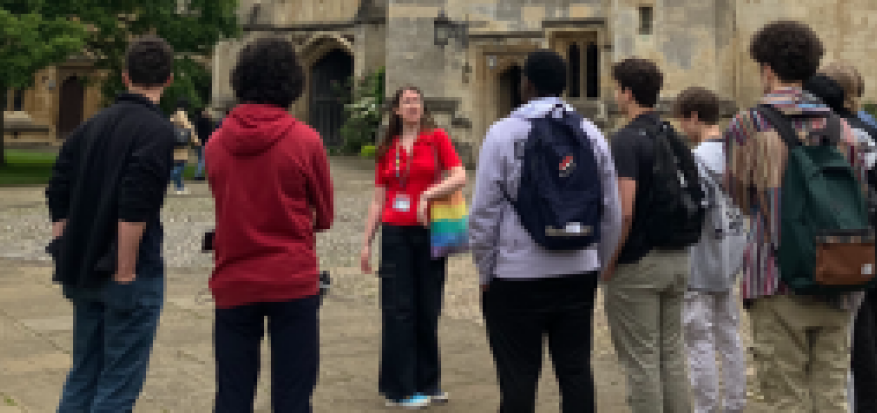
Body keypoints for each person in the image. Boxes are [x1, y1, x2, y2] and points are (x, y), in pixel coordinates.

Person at [723, 21, 867, 413]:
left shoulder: (747, 125)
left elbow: (738, 197)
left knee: (786, 399)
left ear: (767, 69)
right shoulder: (844, 129)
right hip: (838, 274)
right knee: (832, 398)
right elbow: (858, 197)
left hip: (775, 275)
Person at [469, 50, 621, 413]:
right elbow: (611, 209)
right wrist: (598, 264)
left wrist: (486, 270)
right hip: (577, 271)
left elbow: (483, 213)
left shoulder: (503, 133)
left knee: (519, 378)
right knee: (575, 371)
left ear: (527, 85)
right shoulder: (590, 132)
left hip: (517, 274)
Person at [46, 34, 176, 413]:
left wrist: (63, 243)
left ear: (125, 76)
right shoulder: (156, 131)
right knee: (117, 385)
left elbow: (58, 187)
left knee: (84, 373)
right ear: (168, 79)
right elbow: (135, 205)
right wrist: (125, 269)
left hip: (83, 267)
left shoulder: (92, 124)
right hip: (127, 274)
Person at [206, 37, 334, 413]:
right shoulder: (306, 141)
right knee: (293, 398)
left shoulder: (215, 143)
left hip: (234, 277)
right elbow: (324, 217)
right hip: (291, 280)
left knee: (232, 395)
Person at [360, 85, 467, 409]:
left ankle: (428, 382)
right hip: (395, 235)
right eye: (406, 102)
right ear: (396, 110)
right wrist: (366, 243)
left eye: (417, 101)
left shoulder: (436, 139)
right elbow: (378, 200)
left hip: (429, 232)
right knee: (398, 311)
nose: (412, 106)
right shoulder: (387, 149)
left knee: (428, 308)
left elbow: (459, 175)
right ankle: (400, 389)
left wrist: (427, 195)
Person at [603, 59, 698, 413]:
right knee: (671, 354)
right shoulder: (673, 136)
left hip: (639, 261)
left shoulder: (627, 140)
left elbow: (623, 211)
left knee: (641, 358)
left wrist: (609, 260)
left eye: (617, 88)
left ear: (627, 93)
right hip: (678, 256)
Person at [814, 64, 877, 413]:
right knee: (876, 320)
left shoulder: (836, 131)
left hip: (848, 239)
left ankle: (865, 400)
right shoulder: (873, 128)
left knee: (857, 330)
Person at [672, 86, 747, 413]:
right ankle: (735, 404)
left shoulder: (694, 161)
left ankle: (705, 408)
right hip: (731, 256)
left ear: (693, 117)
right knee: (730, 338)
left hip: (700, 260)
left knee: (698, 341)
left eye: (681, 121)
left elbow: (689, 210)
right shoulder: (738, 156)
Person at [169, 102, 199, 195]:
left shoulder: (172, 117)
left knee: (178, 166)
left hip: (173, 145)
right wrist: (196, 140)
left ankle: (180, 187)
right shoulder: (182, 114)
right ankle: (169, 179)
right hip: (182, 146)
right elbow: (188, 127)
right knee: (180, 167)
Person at [193, 106, 215, 181]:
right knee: (202, 159)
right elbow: (210, 131)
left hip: (197, 141)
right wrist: (209, 119)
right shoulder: (206, 121)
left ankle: (198, 173)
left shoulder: (196, 121)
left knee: (200, 158)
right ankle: (198, 174)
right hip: (204, 142)